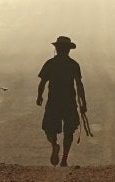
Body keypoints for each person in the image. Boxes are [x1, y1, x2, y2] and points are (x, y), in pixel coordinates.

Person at [36, 36, 87, 167]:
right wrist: (83, 103)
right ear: (68, 50)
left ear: (56, 49)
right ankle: (64, 159)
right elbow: (79, 85)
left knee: (49, 129)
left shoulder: (50, 64)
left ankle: (54, 145)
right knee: (69, 131)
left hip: (54, 102)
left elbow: (42, 82)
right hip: (69, 102)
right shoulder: (73, 65)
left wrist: (39, 96)